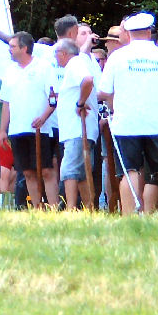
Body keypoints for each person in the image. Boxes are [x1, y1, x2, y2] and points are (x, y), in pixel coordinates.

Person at [98, 12, 158, 215]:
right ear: (148, 32)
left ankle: (130, 214)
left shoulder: (117, 57)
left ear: (128, 33)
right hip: (156, 121)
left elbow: (104, 91)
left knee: (129, 171)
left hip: (126, 122)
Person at [0, 32, 57, 210]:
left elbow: (54, 97)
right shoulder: (10, 70)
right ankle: (37, 207)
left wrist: (44, 117)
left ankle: (54, 208)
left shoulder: (44, 67)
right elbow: (6, 102)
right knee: (28, 172)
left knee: (46, 170)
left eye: (13, 46)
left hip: (40, 129)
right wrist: (3, 129)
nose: (9, 50)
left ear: (24, 48)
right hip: (17, 128)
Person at [54, 38, 99, 209]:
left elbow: (87, 80)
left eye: (56, 53)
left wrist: (80, 103)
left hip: (78, 129)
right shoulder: (75, 65)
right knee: (81, 173)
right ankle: (89, 207)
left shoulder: (75, 64)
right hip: (75, 129)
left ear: (63, 53)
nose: (55, 57)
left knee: (69, 170)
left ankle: (71, 207)